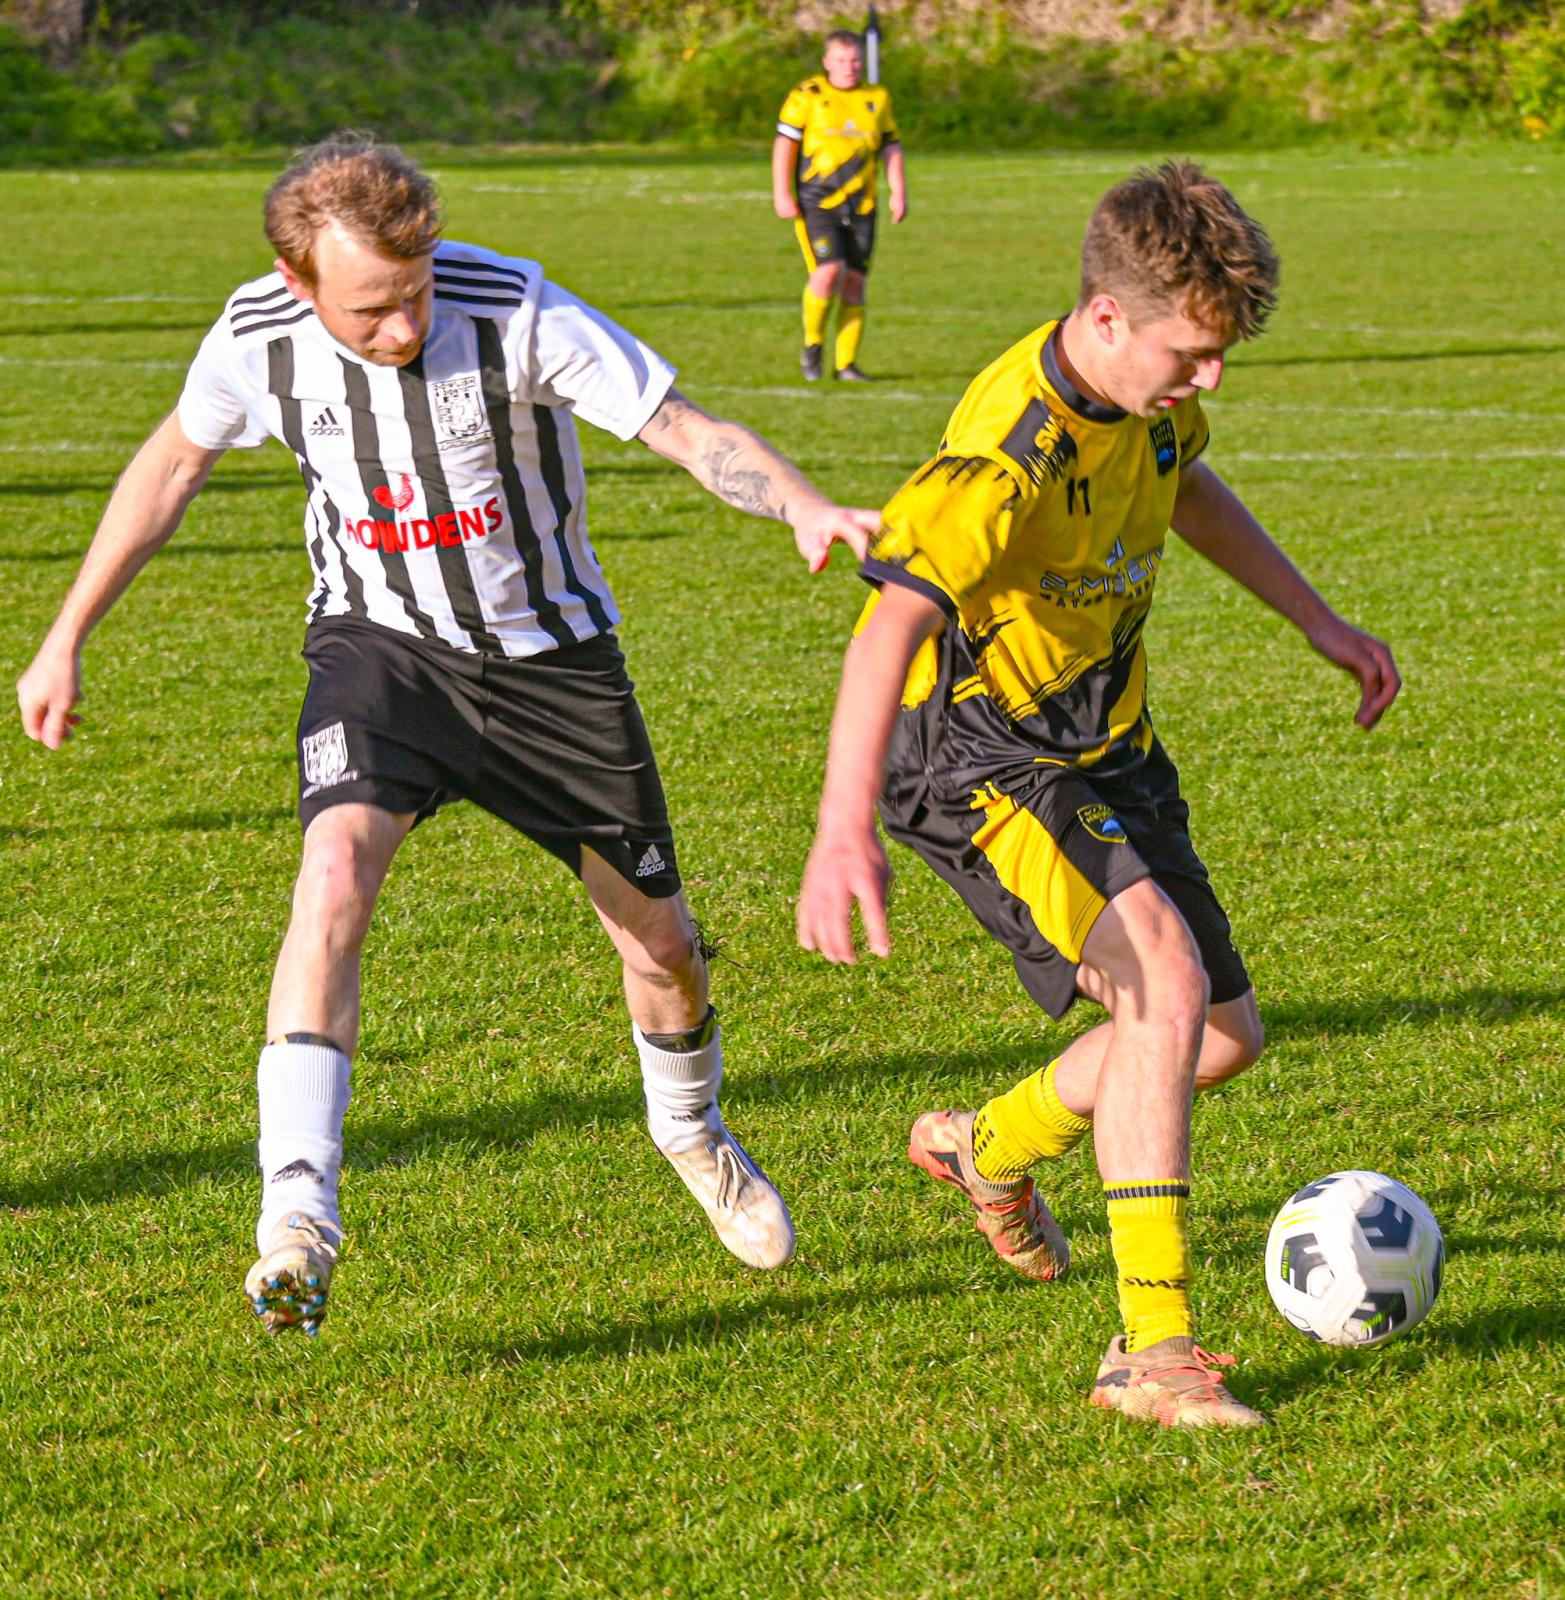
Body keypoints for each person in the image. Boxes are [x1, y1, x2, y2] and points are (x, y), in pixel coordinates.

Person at [16, 133, 879, 1338]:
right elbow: (173, 463)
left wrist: (799, 501)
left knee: (662, 947)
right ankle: (298, 1214)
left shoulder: (512, 306)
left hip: (552, 667)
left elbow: (682, 428)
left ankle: (689, 1127)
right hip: (382, 655)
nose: (404, 325)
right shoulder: (256, 335)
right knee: (331, 874)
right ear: (299, 281)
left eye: (414, 294)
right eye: (370, 309)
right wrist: (66, 632)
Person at [795, 161, 1400, 1428]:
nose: (1207, 377)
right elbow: (886, 628)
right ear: (1108, 316)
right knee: (1160, 984)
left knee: (1214, 1038)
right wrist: (840, 825)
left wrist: (1316, 620)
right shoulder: (1007, 449)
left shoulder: (1152, 401)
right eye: (1190, 352)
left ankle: (985, 1145)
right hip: (982, 755)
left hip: (1104, 743)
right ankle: (1151, 1350)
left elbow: (1184, 486)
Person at [772, 28, 907, 383]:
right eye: (842, 60)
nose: (850, 67)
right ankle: (813, 344)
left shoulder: (876, 97)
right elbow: (785, 145)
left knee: (855, 284)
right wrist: (782, 193)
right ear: (827, 62)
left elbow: (891, 146)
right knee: (828, 272)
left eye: (855, 60)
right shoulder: (808, 95)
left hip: (862, 206)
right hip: (817, 202)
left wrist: (898, 191)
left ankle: (846, 365)